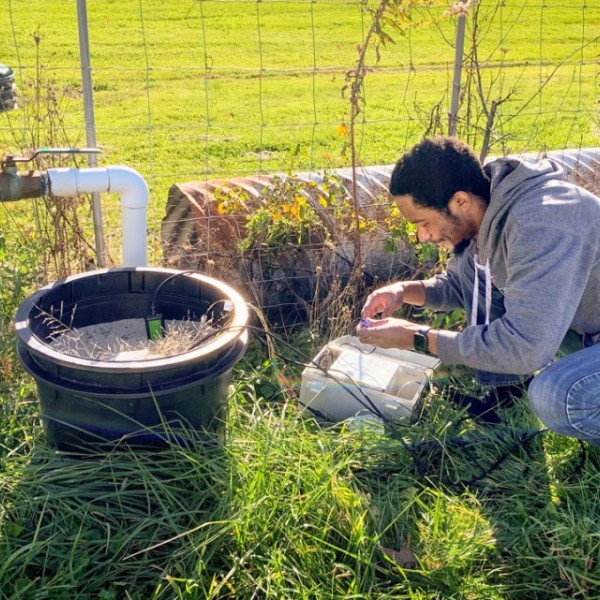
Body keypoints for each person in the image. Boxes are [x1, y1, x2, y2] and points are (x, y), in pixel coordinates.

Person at [357, 136, 600, 444]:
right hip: (588, 334)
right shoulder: (488, 215)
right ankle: (507, 400)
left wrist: (416, 338)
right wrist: (403, 291)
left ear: (460, 201)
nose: (422, 236)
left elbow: (525, 348)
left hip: (584, 337)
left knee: (558, 395)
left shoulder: (542, 222)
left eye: (423, 223)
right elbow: (464, 285)